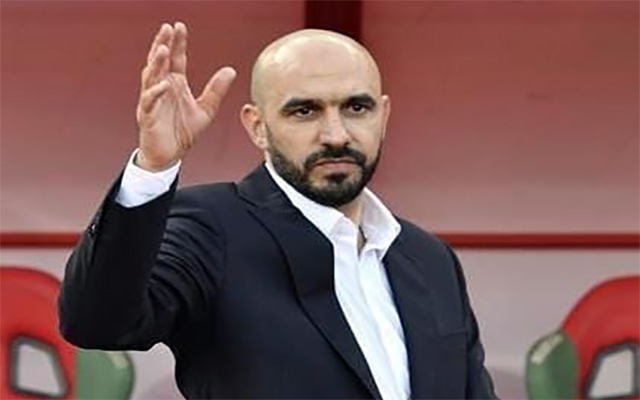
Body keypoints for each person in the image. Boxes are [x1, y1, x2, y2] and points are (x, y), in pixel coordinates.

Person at [59, 22, 497, 399]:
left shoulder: (429, 258)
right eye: (304, 111)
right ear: (257, 127)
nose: (336, 134)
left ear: (382, 116)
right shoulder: (211, 227)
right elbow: (97, 323)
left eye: (356, 108)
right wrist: (154, 167)